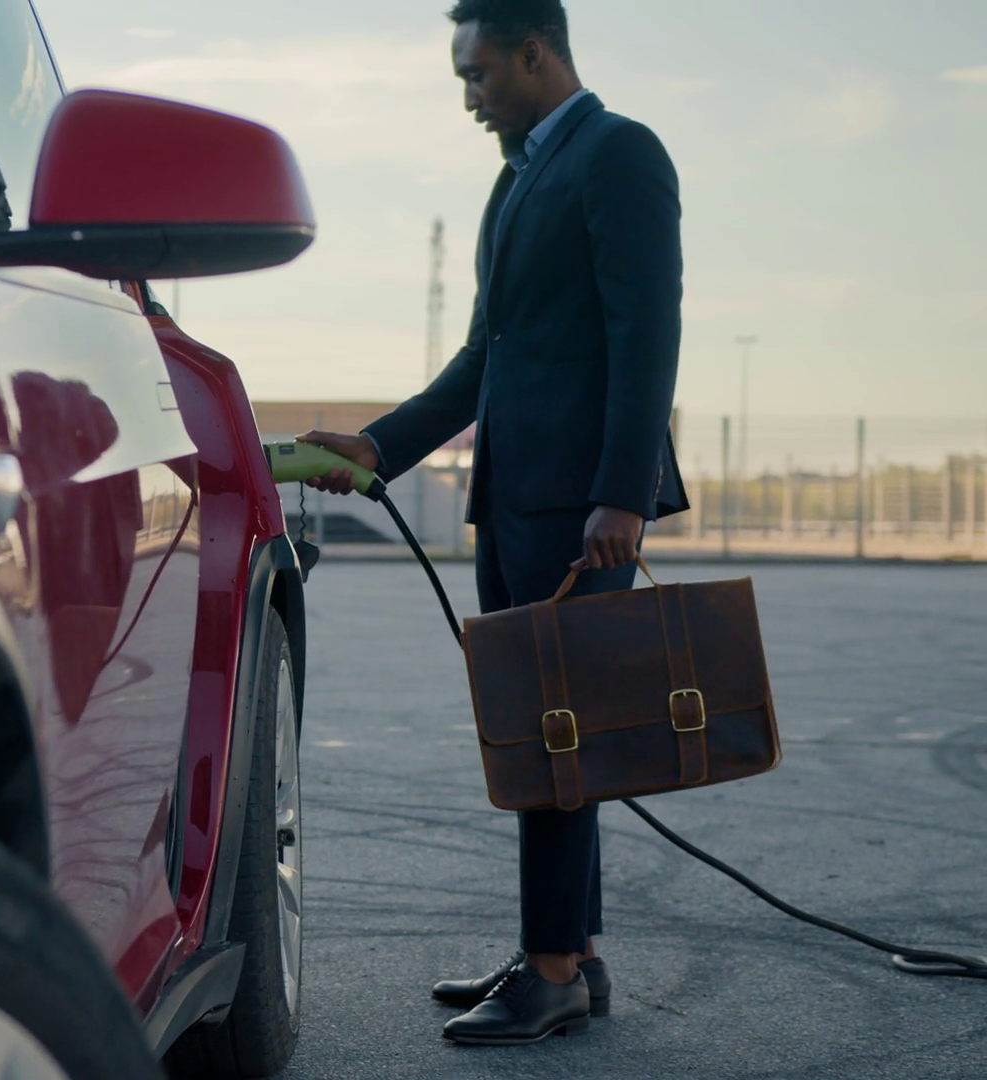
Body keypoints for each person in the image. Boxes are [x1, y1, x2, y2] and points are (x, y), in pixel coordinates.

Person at [299, 0, 688, 1046]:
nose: (469, 98)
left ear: (534, 51)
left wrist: (624, 492)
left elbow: (648, 331)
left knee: (556, 728)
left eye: (477, 76)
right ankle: (575, 954)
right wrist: (377, 446)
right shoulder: (517, 178)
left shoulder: (619, 153)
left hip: (579, 507)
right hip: (512, 499)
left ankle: (550, 972)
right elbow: (487, 357)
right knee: (548, 726)